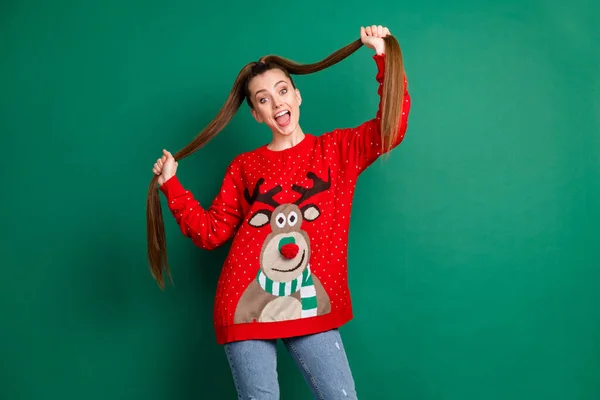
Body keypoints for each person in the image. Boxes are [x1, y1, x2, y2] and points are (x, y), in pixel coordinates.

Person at [147, 25, 411, 399]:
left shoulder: (338, 150)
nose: (277, 103)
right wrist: (172, 186)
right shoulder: (244, 167)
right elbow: (211, 233)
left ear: (297, 95)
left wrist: (383, 54)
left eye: (282, 91)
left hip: (310, 302)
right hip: (245, 305)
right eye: (263, 100)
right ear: (256, 114)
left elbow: (392, 127)